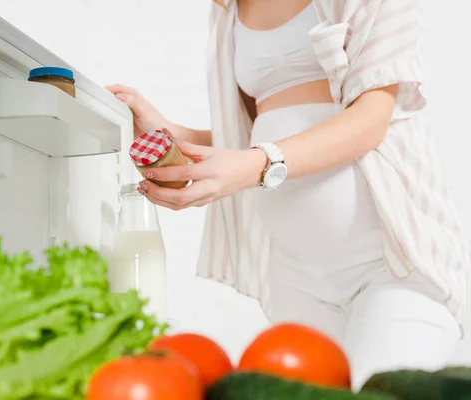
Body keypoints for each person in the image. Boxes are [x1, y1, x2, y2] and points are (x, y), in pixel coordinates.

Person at [107, 0, 470, 390]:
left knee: (378, 392)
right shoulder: (229, 9)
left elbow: (370, 120)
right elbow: (249, 139)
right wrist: (171, 135)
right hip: (296, 276)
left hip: (394, 264)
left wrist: (253, 166)